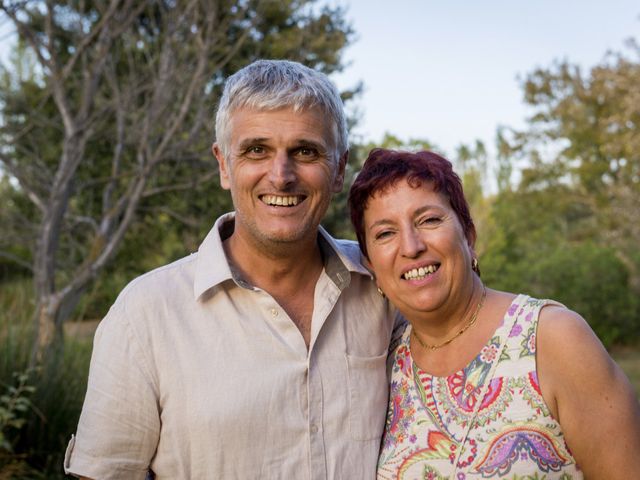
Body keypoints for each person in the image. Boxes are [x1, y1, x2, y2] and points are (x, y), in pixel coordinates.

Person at [64, 60, 399, 479]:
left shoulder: (386, 286)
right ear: (224, 165)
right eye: (256, 150)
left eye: (306, 151)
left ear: (338, 169)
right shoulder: (145, 314)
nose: (281, 176)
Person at [348, 148, 640, 479]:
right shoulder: (385, 360)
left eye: (428, 220)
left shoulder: (553, 339)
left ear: (469, 237)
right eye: (385, 233)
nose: (411, 246)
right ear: (372, 266)